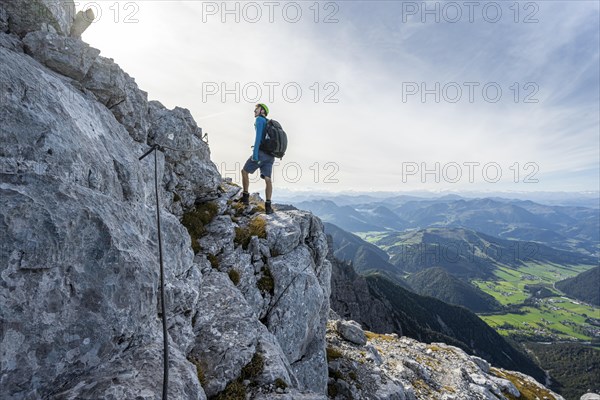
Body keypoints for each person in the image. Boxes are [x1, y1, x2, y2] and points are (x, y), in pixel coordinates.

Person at [239, 103, 274, 214]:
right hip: (270, 156)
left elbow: (258, 137)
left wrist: (255, 155)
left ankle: (245, 198)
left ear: (262, 111)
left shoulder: (260, 119)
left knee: (244, 171)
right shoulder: (269, 123)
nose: (254, 111)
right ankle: (268, 207)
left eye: (257, 109)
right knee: (267, 179)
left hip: (261, 153)